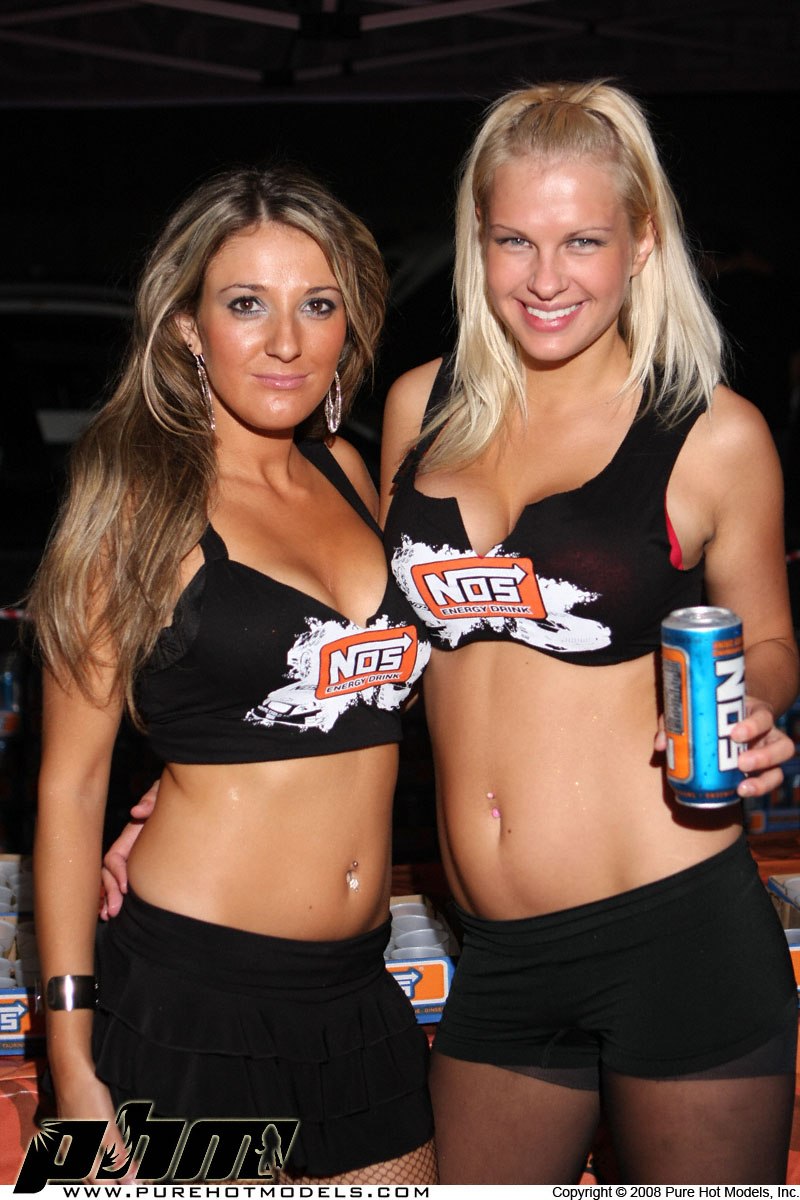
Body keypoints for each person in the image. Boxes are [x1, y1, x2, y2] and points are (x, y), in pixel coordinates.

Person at [377, 81, 799, 1183]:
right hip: (498, 956)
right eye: (514, 240)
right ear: (477, 241)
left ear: (641, 241)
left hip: (675, 934)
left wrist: (753, 708)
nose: (545, 278)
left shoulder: (712, 434)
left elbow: (768, 640)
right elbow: (378, 645)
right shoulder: (419, 409)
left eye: (582, 241)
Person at [27, 164, 436, 1184]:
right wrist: (72, 1064)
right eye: (247, 304)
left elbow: (315, 698)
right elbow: (70, 786)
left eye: (318, 305)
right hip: (195, 998)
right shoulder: (137, 505)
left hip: (359, 990)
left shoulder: (350, 472)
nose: (286, 341)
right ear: (186, 328)